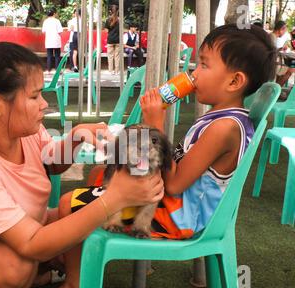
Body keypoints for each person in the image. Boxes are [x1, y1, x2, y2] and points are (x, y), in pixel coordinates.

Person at [0, 29, 163, 288]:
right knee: (14, 267)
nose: (44, 105)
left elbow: (50, 162)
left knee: (76, 209)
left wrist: (76, 136)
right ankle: (25, 278)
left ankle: (67, 286)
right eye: (35, 96)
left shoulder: (19, 130)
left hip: (19, 229)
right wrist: (114, 198)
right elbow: (31, 244)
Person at [59, 24, 276, 240]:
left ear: (234, 81)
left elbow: (173, 185)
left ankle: (71, 272)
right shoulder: (219, 119)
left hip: (177, 216)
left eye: (204, 65)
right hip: (173, 204)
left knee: (68, 202)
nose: (194, 73)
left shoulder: (224, 127)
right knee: (100, 172)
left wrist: (155, 126)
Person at [270, 21, 295, 87]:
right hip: (271, 63)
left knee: (289, 65)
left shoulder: (272, 36)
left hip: (272, 62)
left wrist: (280, 48)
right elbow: (271, 54)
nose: (284, 33)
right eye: (284, 31)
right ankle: (276, 89)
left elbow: (272, 51)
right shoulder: (272, 37)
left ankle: (276, 86)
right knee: (291, 69)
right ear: (281, 30)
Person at [42, 8, 63, 73]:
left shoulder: (45, 21)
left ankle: (48, 70)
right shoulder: (57, 21)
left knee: (49, 55)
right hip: (56, 40)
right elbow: (60, 31)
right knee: (57, 55)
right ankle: (57, 70)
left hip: (48, 40)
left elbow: (43, 31)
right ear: (54, 14)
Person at [105, 5, 120, 75]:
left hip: (110, 39)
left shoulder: (108, 19)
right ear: (118, 11)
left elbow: (106, 30)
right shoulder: (120, 20)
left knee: (110, 56)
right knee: (117, 56)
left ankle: (110, 71)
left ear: (110, 11)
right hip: (118, 40)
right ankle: (117, 71)